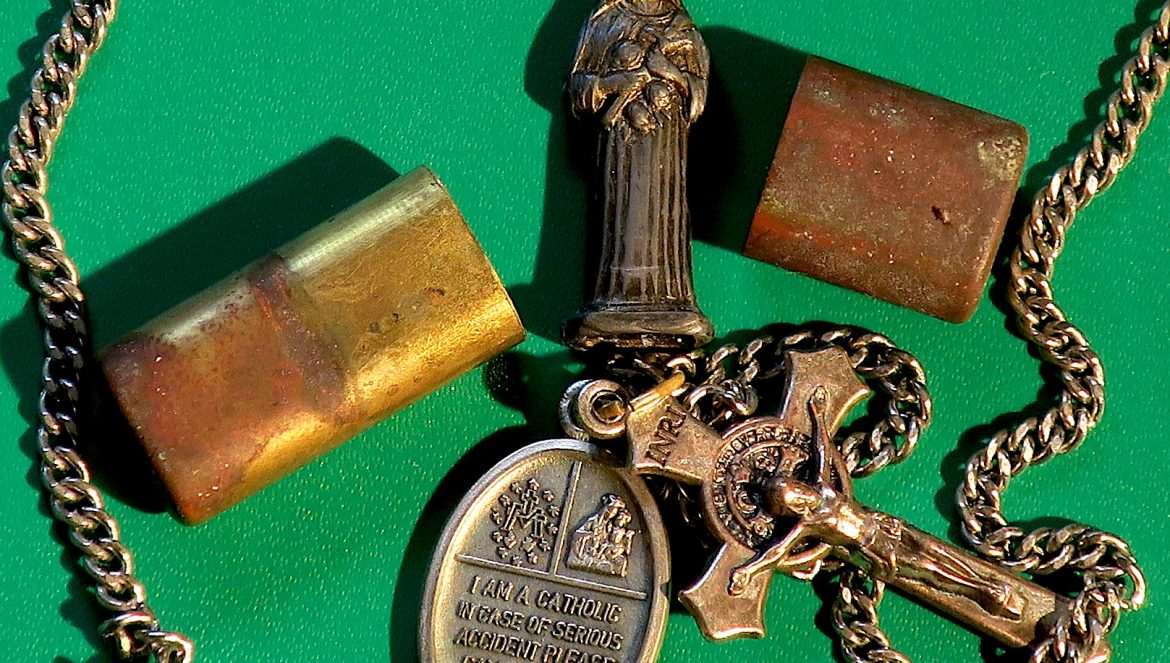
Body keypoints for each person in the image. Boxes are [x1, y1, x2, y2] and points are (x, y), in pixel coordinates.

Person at [728, 388, 1026, 620]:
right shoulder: (808, 524)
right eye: (793, 499)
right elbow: (776, 551)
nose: (800, 493)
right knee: (928, 569)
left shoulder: (823, 487)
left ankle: (986, 582)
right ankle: (979, 593)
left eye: (795, 487)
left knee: (935, 551)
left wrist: (818, 414)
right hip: (874, 549)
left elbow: (822, 449)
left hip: (885, 524)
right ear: (791, 509)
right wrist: (748, 571)